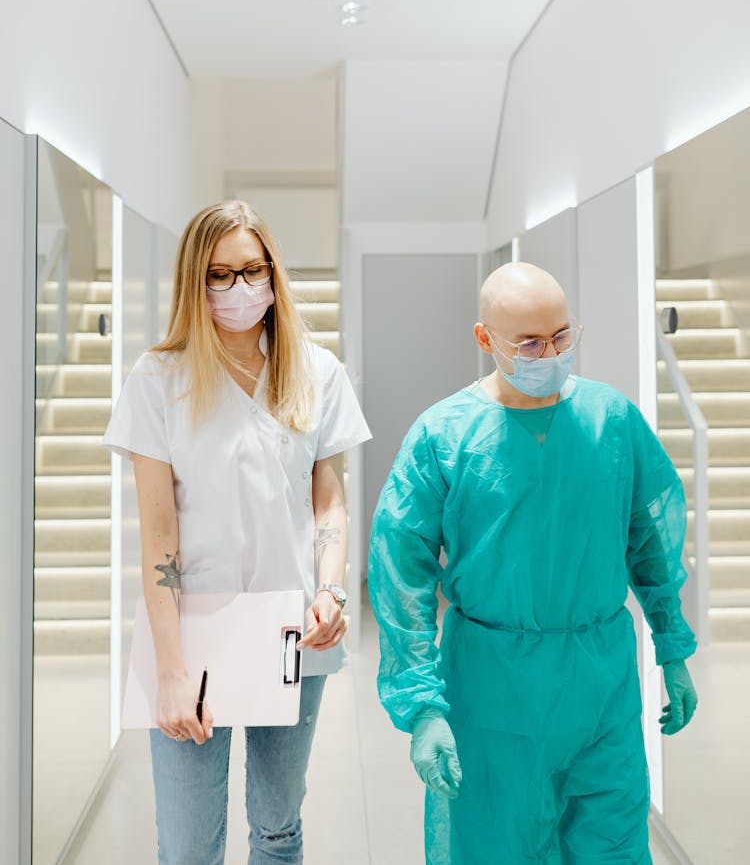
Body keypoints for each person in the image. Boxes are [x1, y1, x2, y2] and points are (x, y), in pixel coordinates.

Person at [368, 261, 698, 865]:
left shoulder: (612, 419)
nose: (550, 353)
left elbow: (650, 536)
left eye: (562, 336)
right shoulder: (444, 434)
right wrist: (421, 706)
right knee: (496, 844)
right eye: (529, 343)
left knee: (614, 842)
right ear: (484, 338)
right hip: (492, 686)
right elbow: (401, 572)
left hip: (601, 680)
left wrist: (671, 646)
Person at [103, 200, 371, 865]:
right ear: (194, 283)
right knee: (190, 846)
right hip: (193, 630)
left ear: (274, 275)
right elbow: (159, 537)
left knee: (278, 829)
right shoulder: (156, 381)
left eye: (252, 270)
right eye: (218, 275)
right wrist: (169, 669)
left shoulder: (316, 372)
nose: (238, 288)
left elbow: (329, 501)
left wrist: (332, 589)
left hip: (293, 627)